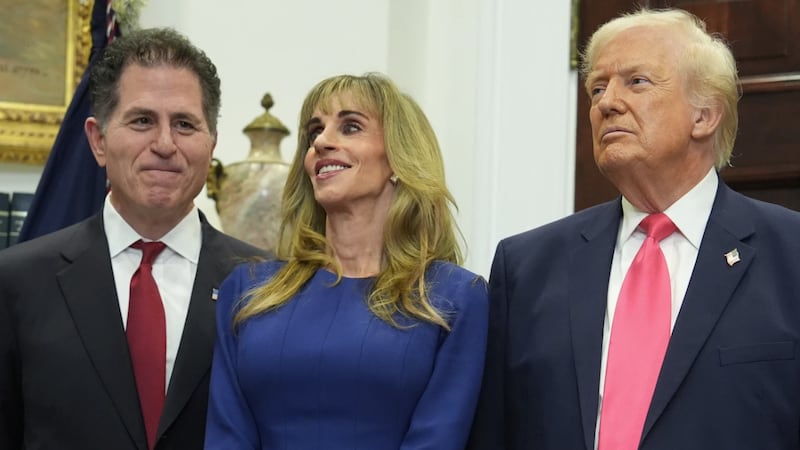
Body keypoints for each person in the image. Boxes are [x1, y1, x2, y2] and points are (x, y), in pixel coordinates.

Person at [468, 8, 800, 450]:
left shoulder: (790, 254)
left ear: (704, 115)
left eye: (636, 82)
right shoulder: (527, 269)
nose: (606, 103)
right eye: (597, 88)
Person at [0, 28, 267, 450]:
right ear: (98, 140)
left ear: (212, 144)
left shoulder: (265, 286)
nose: (165, 144)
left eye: (185, 124)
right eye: (142, 121)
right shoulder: (17, 282)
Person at [204, 73, 489, 449]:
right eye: (315, 131)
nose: (321, 142)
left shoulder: (454, 297)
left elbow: (438, 439)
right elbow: (227, 437)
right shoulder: (247, 291)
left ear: (398, 158)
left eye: (350, 126)